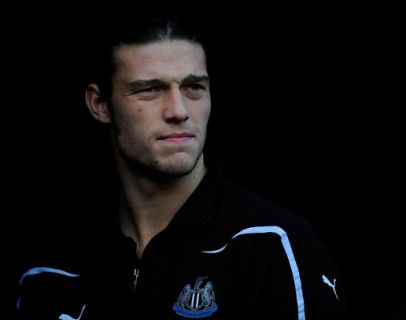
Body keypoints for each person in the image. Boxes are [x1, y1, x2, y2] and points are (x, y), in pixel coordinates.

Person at [15, 13, 348, 319]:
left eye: (193, 88)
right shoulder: (49, 274)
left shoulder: (270, 245)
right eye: (149, 90)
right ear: (100, 104)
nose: (179, 110)